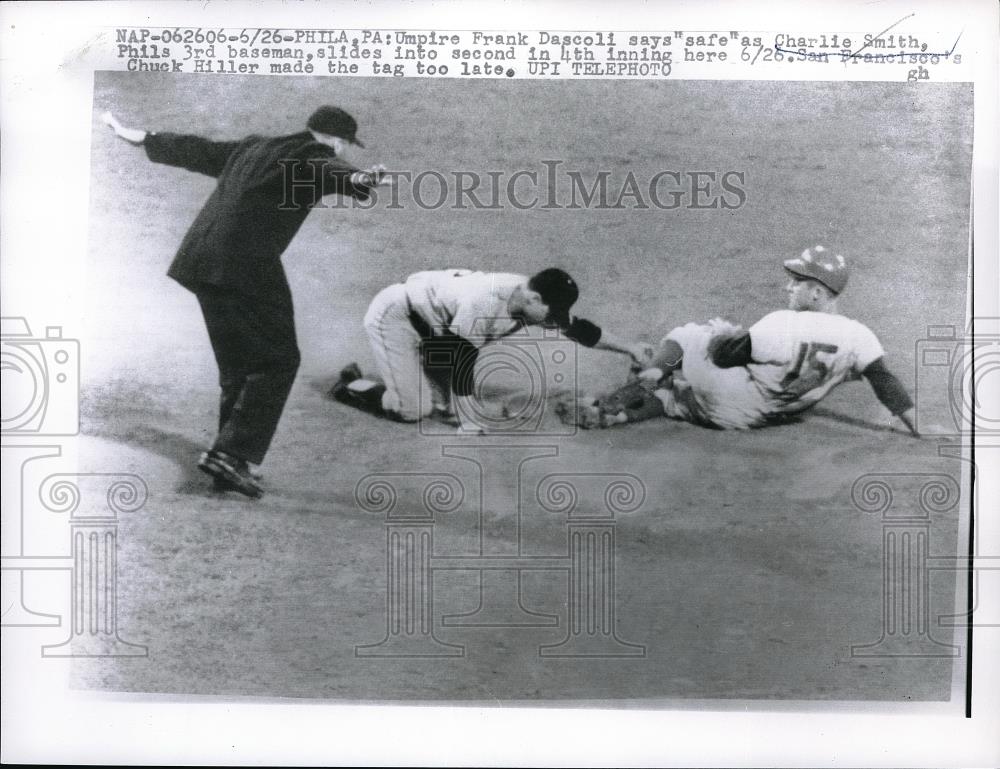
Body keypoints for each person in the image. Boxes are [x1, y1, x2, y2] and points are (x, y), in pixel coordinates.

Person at [102, 106, 388, 497]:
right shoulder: (312, 154)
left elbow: (197, 150)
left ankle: (228, 460)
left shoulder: (253, 147)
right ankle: (230, 453)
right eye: (343, 144)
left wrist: (142, 137)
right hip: (244, 265)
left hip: (199, 261)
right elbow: (327, 169)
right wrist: (359, 178)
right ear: (335, 140)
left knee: (238, 363)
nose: (341, 150)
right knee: (279, 359)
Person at [565, 247, 920, 436]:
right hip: (756, 417)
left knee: (687, 337)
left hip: (728, 395)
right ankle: (628, 413)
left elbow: (724, 356)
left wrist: (724, 334)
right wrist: (918, 427)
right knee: (678, 400)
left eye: (797, 282)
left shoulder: (783, 323)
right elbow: (885, 382)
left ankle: (625, 395)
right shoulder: (860, 336)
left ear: (816, 293)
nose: (788, 287)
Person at [330, 267, 653, 434]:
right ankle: (352, 385)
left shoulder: (529, 297)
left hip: (437, 329)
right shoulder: (484, 301)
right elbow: (460, 359)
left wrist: (630, 348)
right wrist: (469, 419)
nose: (553, 320)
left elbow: (578, 328)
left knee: (448, 407)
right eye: (550, 312)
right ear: (534, 299)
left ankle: (415, 376)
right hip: (398, 318)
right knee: (413, 410)